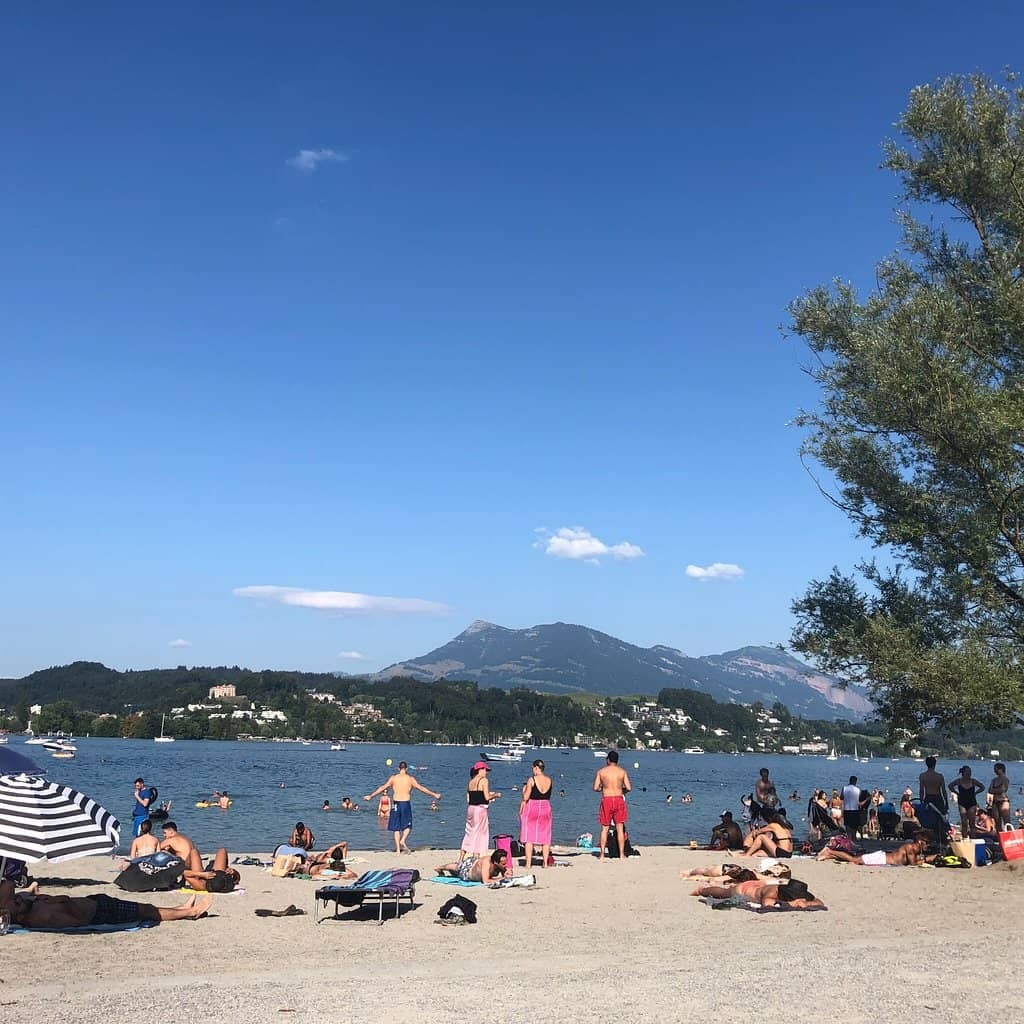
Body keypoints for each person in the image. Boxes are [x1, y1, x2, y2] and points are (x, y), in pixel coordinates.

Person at [0, 878, 212, 928]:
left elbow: (8, 885)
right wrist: (64, 901)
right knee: (147, 911)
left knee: (145, 907)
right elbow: (77, 921)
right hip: (102, 913)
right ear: (18, 917)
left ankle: (181, 909)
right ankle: (189, 913)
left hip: (95, 902)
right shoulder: (44, 918)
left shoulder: (27, 907)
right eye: (16, 903)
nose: (18, 898)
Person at [364, 761, 441, 854]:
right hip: (405, 803)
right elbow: (421, 788)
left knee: (396, 828)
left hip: (395, 804)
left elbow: (383, 787)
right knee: (408, 825)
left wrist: (371, 796)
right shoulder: (410, 779)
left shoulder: (393, 778)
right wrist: (434, 794)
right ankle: (403, 840)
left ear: (398, 768)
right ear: (407, 769)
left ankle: (397, 850)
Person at [690, 877, 826, 912]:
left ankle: (702, 890)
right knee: (724, 893)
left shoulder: (798, 893)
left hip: (758, 885)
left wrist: (806, 903)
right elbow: (767, 904)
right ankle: (702, 890)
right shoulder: (773, 892)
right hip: (744, 889)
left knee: (724, 892)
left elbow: (819, 902)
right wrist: (792, 905)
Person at [593, 750, 632, 861]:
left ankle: (601, 855)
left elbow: (595, 788)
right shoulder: (622, 772)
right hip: (619, 799)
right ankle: (621, 854)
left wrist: (603, 788)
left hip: (607, 799)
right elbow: (629, 788)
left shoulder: (601, 772)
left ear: (608, 760)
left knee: (604, 828)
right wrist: (620, 789)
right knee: (620, 828)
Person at [461, 762, 501, 862]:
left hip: (471, 808)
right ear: (480, 770)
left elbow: (469, 798)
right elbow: (487, 797)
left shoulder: (471, 781)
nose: (486, 772)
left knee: (469, 832)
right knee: (480, 833)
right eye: (485, 770)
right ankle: (476, 856)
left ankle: (462, 857)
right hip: (480, 809)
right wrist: (496, 795)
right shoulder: (484, 780)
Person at [519, 758, 553, 868]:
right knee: (545, 835)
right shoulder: (549, 780)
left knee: (529, 835)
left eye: (533, 768)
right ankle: (545, 863)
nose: (532, 770)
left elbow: (526, 797)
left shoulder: (532, 779)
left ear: (536, 768)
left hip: (532, 806)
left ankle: (528, 863)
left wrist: (523, 790)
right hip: (545, 806)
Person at [817, 836, 933, 867]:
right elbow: (913, 863)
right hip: (881, 858)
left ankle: (830, 856)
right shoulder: (910, 848)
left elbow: (915, 860)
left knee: (855, 860)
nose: (927, 847)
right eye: (927, 844)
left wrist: (928, 858)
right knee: (854, 860)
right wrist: (926, 859)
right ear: (920, 842)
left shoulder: (914, 850)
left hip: (883, 858)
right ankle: (830, 851)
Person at [436, 849, 509, 884]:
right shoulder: (487, 863)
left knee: (455, 869)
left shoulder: (499, 863)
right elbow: (486, 881)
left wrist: (506, 874)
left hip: (475, 863)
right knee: (457, 868)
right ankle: (440, 868)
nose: (505, 865)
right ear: (496, 863)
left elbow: (505, 876)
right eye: (503, 864)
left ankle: (441, 868)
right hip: (467, 871)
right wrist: (502, 878)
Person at [950, 766, 985, 838]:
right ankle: (964, 837)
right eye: (968, 772)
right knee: (964, 822)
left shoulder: (973, 781)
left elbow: (982, 787)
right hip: (962, 802)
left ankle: (973, 838)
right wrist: (956, 793)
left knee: (972, 822)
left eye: (970, 772)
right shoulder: (959, 781)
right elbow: (950, 786)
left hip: (972, 802)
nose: (969, 773)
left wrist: (976, 793)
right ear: (963, 773)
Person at [918, 756, 949, 831]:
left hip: (928, 797)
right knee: (939, 817)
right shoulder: (939, 776)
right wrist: (946, 802)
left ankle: (930, 834)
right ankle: (939, 833)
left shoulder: (922, 776)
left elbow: (921, 790)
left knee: (929, 817)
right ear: (935, 764)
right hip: (938, 797)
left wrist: (921, 801)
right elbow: (944, 791)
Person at [988, 762, 1011, 831]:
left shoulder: (1005, 779)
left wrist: (994, 790)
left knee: (1006, 822)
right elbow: (989, 790)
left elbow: (1003, 789)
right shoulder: (994, 780)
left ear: (1001, 769)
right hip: (995, 802)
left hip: (1003, 801)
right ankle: (999, 838)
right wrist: (997, 790)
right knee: (997, 822)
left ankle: (1010, 837)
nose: (994, 771)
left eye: (996, 769)